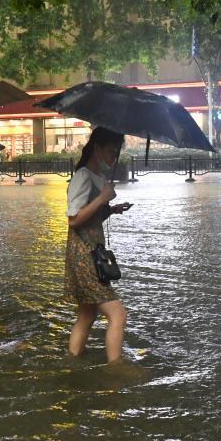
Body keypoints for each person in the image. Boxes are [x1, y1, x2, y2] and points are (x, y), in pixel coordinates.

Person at [64, 127, 133, 363]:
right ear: (97, 148)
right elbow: (74, 220)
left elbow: (90, 218)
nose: (114, 158)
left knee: (86, 315)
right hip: (84, 254)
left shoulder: (98, 177)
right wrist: (103, 198)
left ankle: (72, 361)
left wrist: (110, 210)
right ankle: (115, 370)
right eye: (111, 151)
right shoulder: (82, 176)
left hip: (93, 252)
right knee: (118, 315)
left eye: (116, 153)